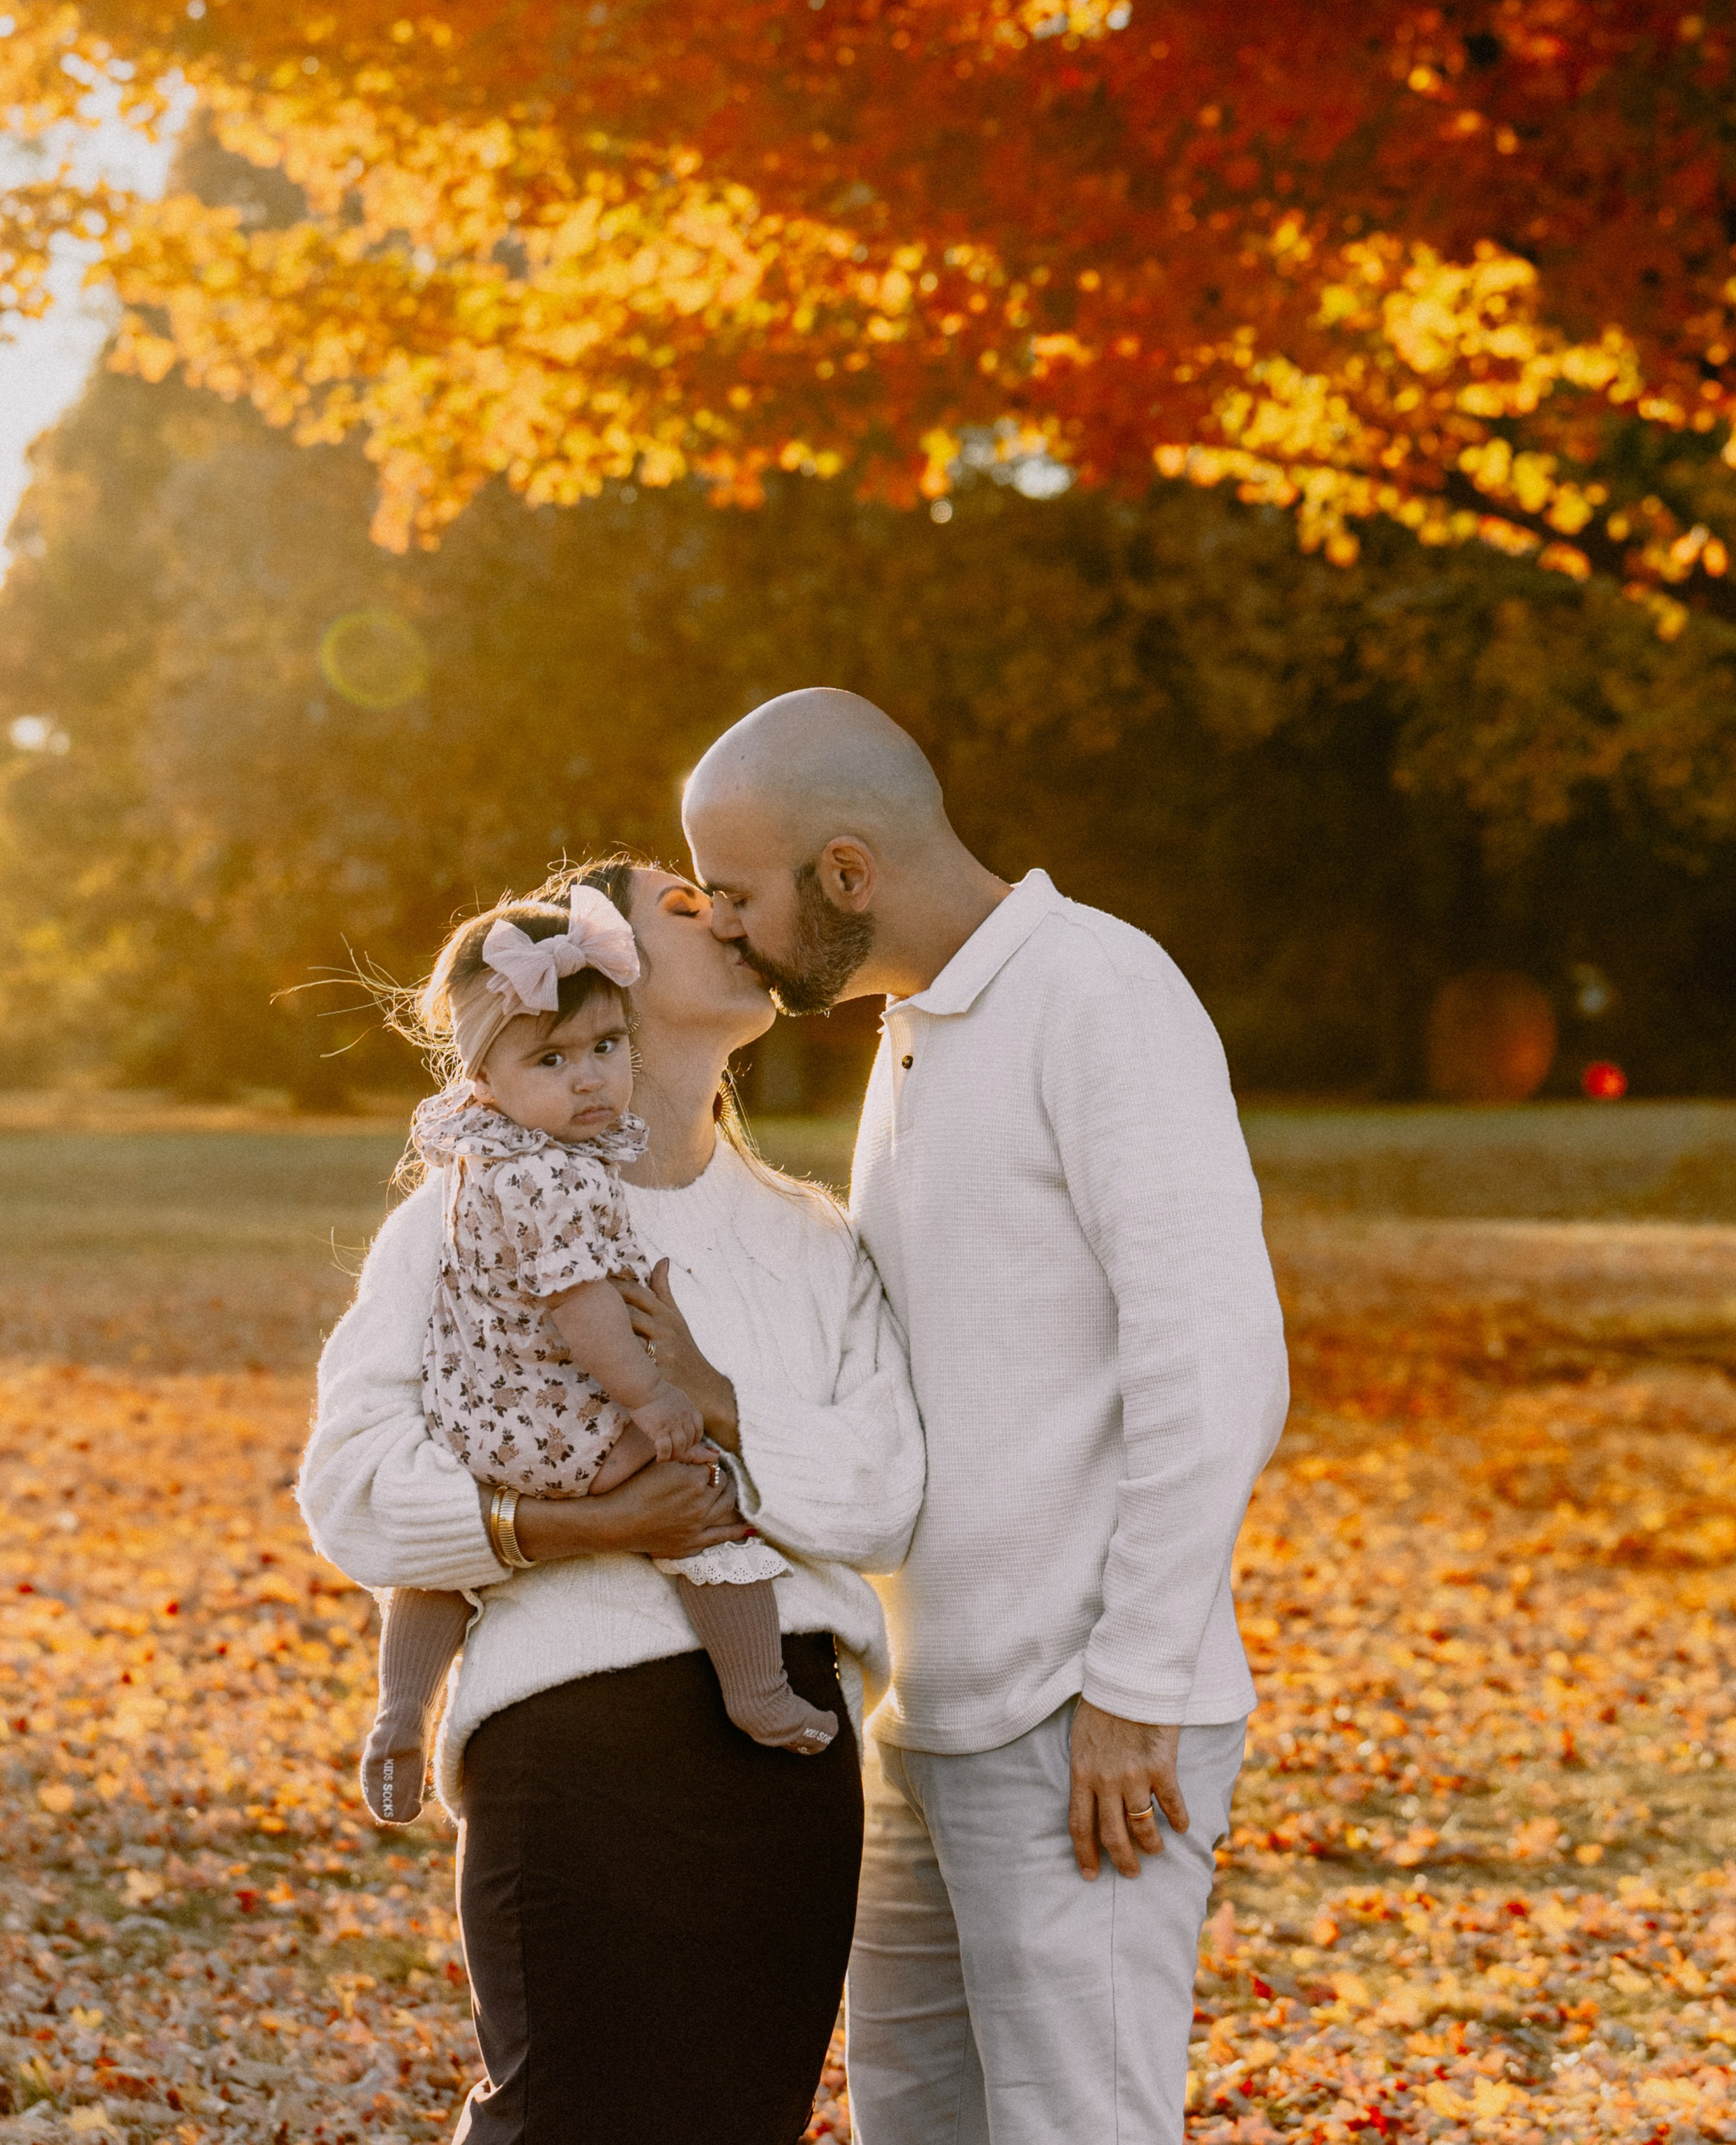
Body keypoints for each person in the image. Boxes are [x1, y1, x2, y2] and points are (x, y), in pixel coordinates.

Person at [682, 689, 1291, 2145]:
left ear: (845, 873)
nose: (721, 929)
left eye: (736, 894)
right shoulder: (918, 1032)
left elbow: (1217, 1362)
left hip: (1083, 1719)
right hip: (930, 1709)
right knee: (917, 2119)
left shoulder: (1096, 993)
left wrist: (1135, 1689)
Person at [300, 858, 924, 2145]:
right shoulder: (471, 1216)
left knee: (740, 2118)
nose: (735, 920)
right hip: (572, 1742)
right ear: (601, 972)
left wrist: (719, 1402)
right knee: (563, 2119)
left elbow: (885, 1495)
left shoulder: (813, 1238)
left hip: (788, 1741)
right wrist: (579, 1529)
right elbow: (355, 1487)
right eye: (688, 907)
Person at [361, 880, 836, 1828]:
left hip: (479, 1426)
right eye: (553, 1060)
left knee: (442, 1568)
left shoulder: (479, 1162)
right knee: (705, 1505)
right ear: (484, 1082)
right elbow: (586, 1312)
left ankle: (404, 1702)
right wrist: (660, 1400)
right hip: (566, 1427)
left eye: (605, 1050)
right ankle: (755, 1685)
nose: (588, 1079)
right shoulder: (559, 1181)